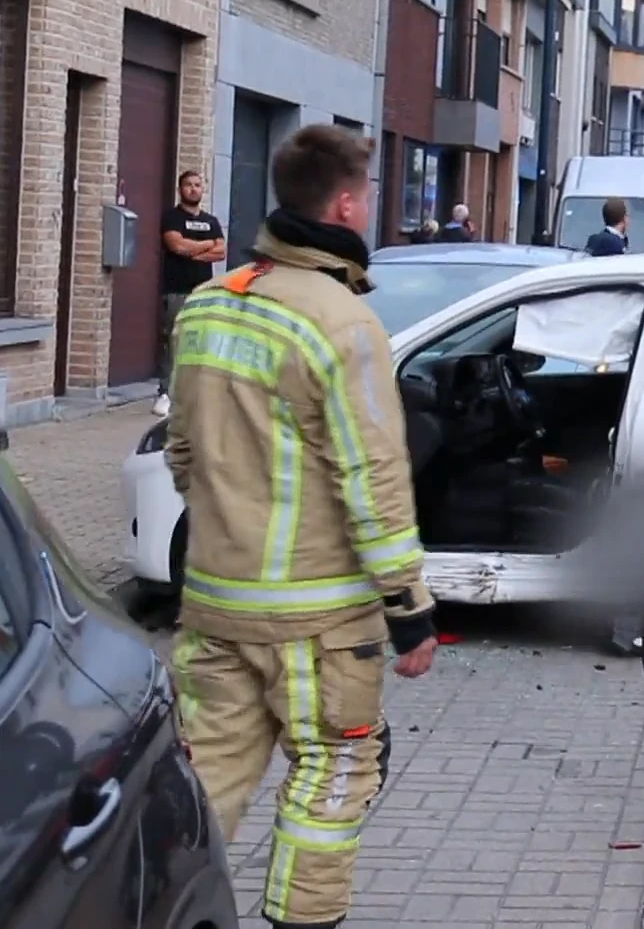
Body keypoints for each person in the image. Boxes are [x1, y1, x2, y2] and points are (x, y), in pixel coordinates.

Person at [163, 124, 440, 929]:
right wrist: (409, 606)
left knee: (206, 780)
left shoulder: (214, 304)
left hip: (213, 601)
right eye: (372, 196)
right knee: (334, 773)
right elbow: (373, 477)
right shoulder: (343, 323)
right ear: (348, 203)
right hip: (319, 619)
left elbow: (184, 451)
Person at [154, 169, 225, 417]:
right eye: (188, 185)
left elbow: (221, 252)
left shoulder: (211, 220)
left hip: (204, 291)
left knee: (200, 341)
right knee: (173, 341)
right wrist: (206, 245)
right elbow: (176, 245)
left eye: (198, 185)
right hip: (176, 290)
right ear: (180, 189)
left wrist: (192, 250)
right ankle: (166, 393)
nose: (194, 189)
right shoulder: (171, 218)